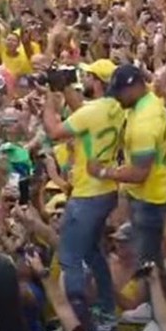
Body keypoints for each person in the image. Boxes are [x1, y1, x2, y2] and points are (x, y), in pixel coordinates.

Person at [43, 59, 122, 317]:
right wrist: (63, 87)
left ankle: (79, 317)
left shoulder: (91, 112)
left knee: (70, 257)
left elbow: (55, 131)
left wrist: (48, 98)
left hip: (88, 194)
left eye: (88, 77)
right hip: (107, 190)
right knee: (92, 252)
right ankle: (107, 308)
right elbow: (82, 111)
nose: (84, 81)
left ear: (98, 83)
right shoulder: (117, 107)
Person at [93, 64, 166, 266]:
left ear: (135, 87)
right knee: (150, 250)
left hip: (150, 198)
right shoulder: (148, 100)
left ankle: (150, 295)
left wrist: (103, 171)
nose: (117, 98)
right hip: (160, 186)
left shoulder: (144, 123)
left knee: (147, 264)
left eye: (120, 92)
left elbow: (140, 174)